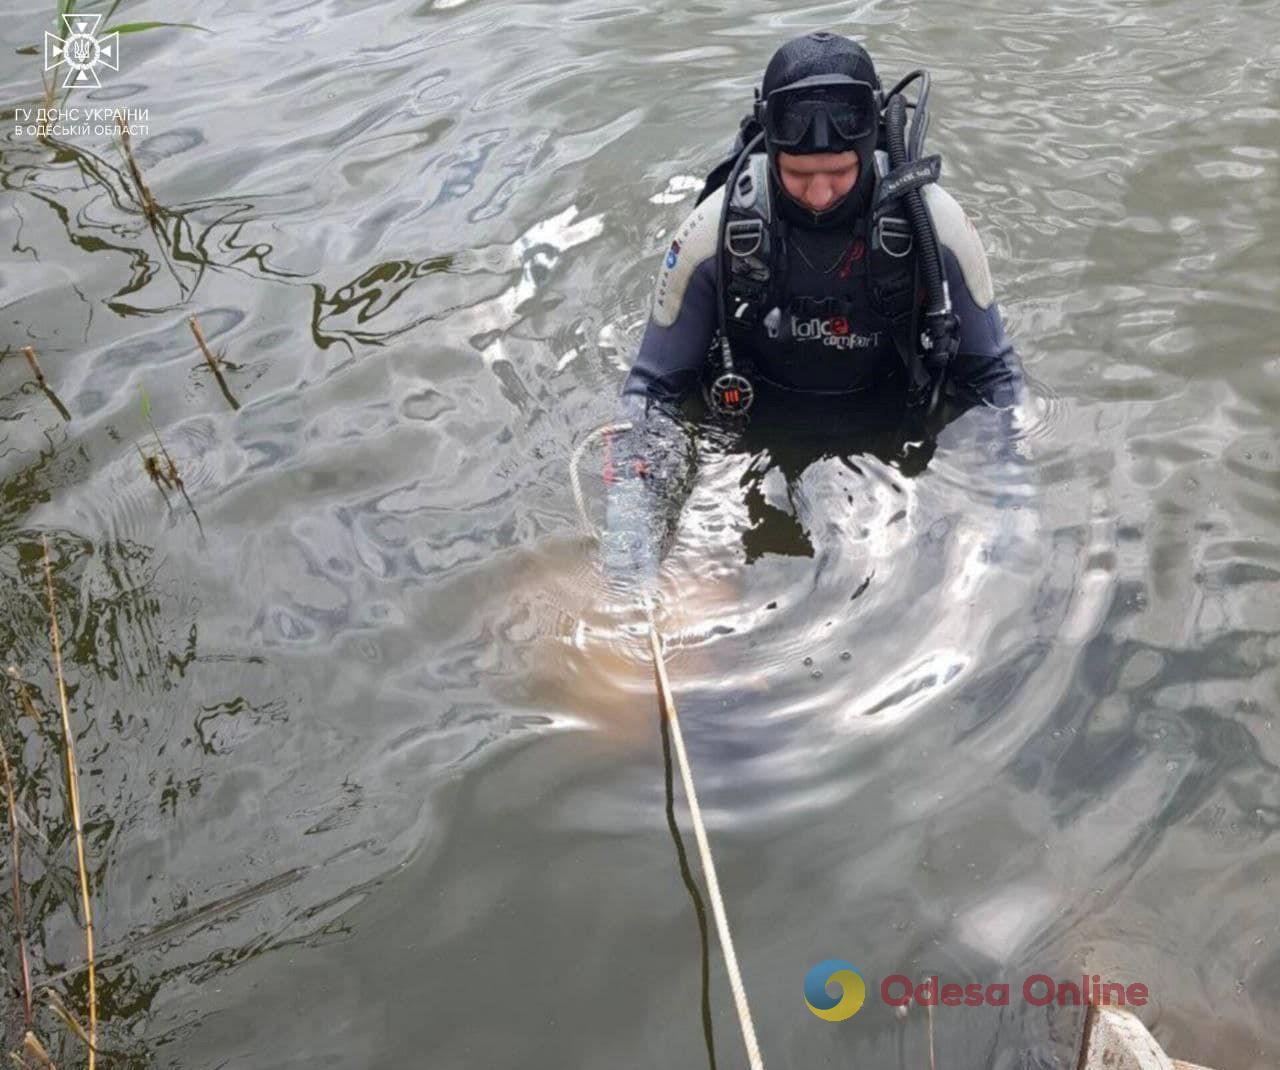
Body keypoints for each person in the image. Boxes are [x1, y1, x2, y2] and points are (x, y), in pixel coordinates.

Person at [601, 31, 1025, 592]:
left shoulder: (935, 228)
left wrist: (1011, 504)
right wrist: (631, 539)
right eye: (798, 176)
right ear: (772, 153)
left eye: (840, 173)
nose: (821, 194)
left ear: (871, 144)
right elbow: (652, 391)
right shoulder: (714, 235)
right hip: (747, 439)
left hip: (894, 438)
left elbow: (994, 378)